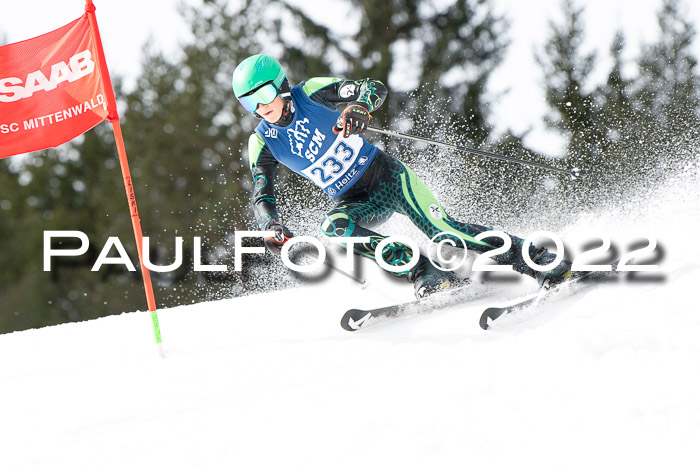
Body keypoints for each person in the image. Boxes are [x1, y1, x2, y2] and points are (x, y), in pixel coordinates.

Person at [232, 54, 572, 298]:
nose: (261, 108)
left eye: (263, 95)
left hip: (388, 177)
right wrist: (269, 226)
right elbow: (262, 194)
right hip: (355, 200)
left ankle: (538, 259)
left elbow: (371, 87)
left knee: (447, 233)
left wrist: (360, 106)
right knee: (333, 228)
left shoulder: (311, 92)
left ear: (281, 85)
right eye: (249, 104)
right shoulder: (262, 141)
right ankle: (423, 270)